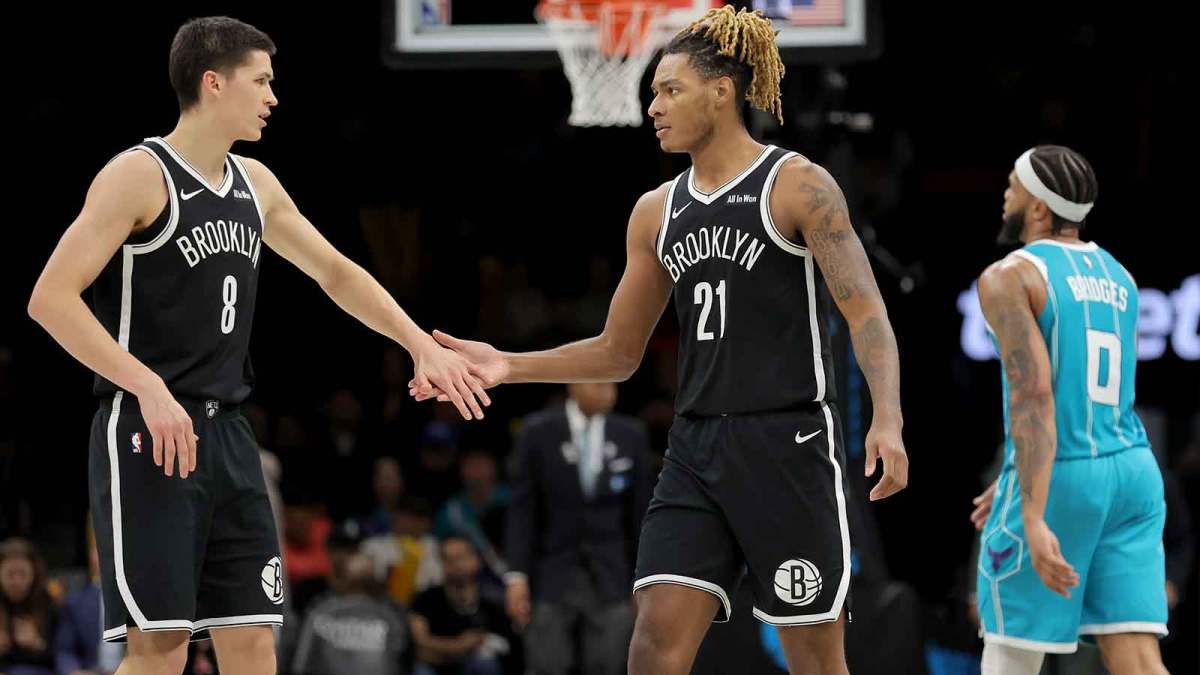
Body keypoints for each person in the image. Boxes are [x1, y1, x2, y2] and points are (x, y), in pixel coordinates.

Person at [412, 7, 908, 674]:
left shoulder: (799, 185)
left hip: (787, 444)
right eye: (651, 91)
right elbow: (619, 351)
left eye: (670, 89)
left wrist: (888, 419)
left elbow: (868, 314)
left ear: (722, 91)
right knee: (651, 644)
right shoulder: (655, 210)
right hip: (695, 449)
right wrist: (507, 364)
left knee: (815, 660)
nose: (653, 106)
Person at [25, 15, 488, 675]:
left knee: (251, 643)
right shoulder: (139, 174)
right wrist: (145, 383)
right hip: (150, 429)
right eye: (262, 80)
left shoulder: (256, 184)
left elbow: (335, 271)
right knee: (160, 650)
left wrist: (419, 343)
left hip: (231, 435)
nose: (274, 96)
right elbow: (50, 298)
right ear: (214, 83)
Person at [969, 145, 1169, 675]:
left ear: (1038, 208)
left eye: (1014, 184)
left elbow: (1035, 396)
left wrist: (1031, 509)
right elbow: (1089, 395)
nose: (1005, 193)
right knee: (1139, 659)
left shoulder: (1009, 276)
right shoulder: (1119, 276)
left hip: (1065, 479)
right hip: (1133, 473)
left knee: (1010, 655)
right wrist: (1015, 475)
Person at [505, 383, 653, 675]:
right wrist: (516, 576)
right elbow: (522, 511)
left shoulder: (630, 433)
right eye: (599, 383)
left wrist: (644, 580)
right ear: (574, 384)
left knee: (610, 665)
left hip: (612, 575)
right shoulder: (538, 431)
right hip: (550, 571)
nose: (609, 391)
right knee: (546, 664)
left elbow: (642, 516)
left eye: (613, 384)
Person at [409, 537, 510, 675]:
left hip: (475, 667)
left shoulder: (494, 601)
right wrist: (459, 645)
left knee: (485, 664)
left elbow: (505, 647)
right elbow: (421, 646)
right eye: (449, 559)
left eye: (462, 557)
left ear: (477, 560)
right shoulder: (426, 598)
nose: (456, 564)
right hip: (436, 668)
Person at [0, 538, 57, 675]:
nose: (17, 582)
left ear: (34, 574)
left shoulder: (50, 604)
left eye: (23, 574)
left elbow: (62, 656)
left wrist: (38, 644)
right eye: (10, 574)